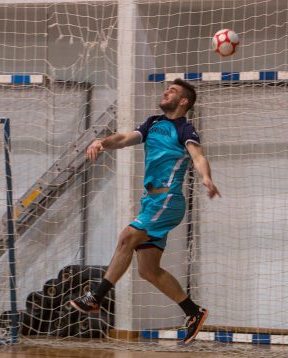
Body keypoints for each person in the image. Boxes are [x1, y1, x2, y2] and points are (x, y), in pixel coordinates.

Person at [70, 79, 221, 344]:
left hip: (168, 199)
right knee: (148, 269)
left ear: (183, 101)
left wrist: (206, 178)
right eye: (167, 89)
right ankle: (193, 312)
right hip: (151, 202)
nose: (166, 92)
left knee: (127, 237)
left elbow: (198, 156)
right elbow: (124, 138)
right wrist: (103, 142)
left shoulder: (184, 128)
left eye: (172, 91)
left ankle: (96, 297)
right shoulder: (153, 123)